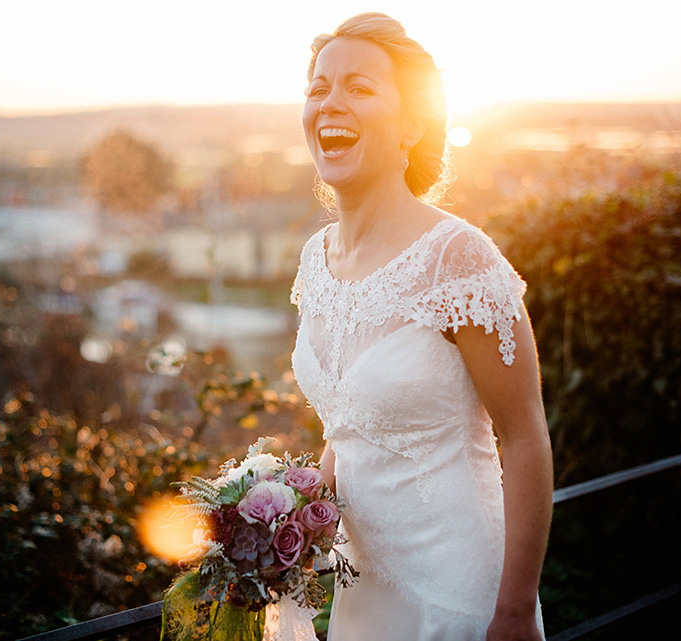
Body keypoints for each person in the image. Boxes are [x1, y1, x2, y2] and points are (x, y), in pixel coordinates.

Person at [289, 12, 553, 641]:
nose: (331, 102)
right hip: (359, 596)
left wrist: (514, 611)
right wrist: (288, 522)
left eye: (359, 86)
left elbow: (524, 438)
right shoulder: (315, 259)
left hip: (457, 598)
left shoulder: (457, 258)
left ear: (411, 124)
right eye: (318, 86)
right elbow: (350, 426)